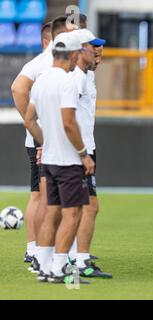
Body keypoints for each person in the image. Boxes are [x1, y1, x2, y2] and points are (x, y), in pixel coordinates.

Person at [11, 15, 82, 265]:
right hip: (48, 143)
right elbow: (18, 89)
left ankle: (48, 252)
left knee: (46, 198)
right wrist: (37, 130)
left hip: (49, 141)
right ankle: (38, 251)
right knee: (44, 198)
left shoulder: (55, 63)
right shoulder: (45, 62)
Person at [24, 31, 95, 284]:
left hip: (50, 160)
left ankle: (44, 266)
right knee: (72, 214)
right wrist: (83, 154)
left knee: (52, 212)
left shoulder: (41, 81)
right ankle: (59, 268)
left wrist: (44, 142)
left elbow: (29, 120)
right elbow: (69, 123)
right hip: (67, 161)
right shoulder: (67, 81)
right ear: (74, 54)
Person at [70, 29, 111, 278]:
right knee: (87, 206)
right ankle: (79, 261)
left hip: (85, 147)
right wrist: (81, 152)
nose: (98, 50)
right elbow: (67, 115)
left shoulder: (86, 75)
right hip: (78, 150)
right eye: (92, 46)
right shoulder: (76, 77)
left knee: (81, 206)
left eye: (99, 46)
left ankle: (73, 257)